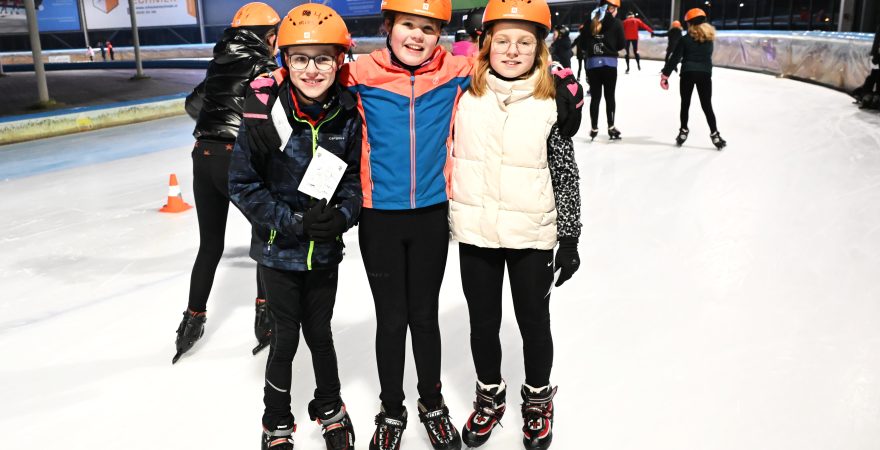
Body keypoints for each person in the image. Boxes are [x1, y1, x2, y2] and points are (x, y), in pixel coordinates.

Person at [336, 1, 582, 448]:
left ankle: (453, 404)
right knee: (399, 321)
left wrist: (564, 78)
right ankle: (395, 411)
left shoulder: (459, 75)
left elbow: (561, 159)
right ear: (388, 27)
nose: (417, 36)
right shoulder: (366, 74)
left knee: (442, 318)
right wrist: (269, 81)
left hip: (453, 219)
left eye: (428, 28)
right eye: (408, 25)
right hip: (401, 219)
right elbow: (310, 76)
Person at [450, 0, 582, 449]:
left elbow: (564, 172)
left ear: (539, 48)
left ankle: (538, 400)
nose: (512, 50)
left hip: (532, 235)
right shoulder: (464, 95)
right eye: (503, 41)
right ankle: (489, 396)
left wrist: (570, 237)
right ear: (486, 44)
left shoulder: (551, 101)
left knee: (533, 322)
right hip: (477, 232)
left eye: (524, 42)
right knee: (483, 324)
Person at [229, 5, 361, 449]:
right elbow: (242, 184)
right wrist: (292, 223)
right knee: (285, 338)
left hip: (324, 252)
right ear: (284, 61)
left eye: (323, 58)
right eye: (300, 58)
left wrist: (342, 216)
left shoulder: (347, 114)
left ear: (339, 61)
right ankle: (276, 420)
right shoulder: (264, 115)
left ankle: (330, 407)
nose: (312, 69)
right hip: (278, 251)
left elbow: (354, 181)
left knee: (321, 333)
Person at [174, 2, 280, 364]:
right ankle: (266, 315)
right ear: (266, 36)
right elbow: (269, 116)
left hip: (203, 154)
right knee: (267, 232)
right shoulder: (264, 66)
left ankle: (192, 320)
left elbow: (193, 104)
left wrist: (218, 119)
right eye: (274, 36)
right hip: (234, 157)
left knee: (210, 244)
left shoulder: (218, 63)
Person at [660, 8, 727, 150]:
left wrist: (665, 75)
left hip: (688, 73)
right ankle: (715, 134)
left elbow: (675, 58)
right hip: (704, 74)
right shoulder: (709, 39)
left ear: (689, 23)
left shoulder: (685, 39)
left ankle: (683, 131)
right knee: (707, 105)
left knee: (685, 103)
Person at [584, 0, 624, 141]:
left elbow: (583, 45)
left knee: (595, 98)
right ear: (611, 9)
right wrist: (610, 46)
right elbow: (621, 44)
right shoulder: (616, 23)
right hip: (610, 64)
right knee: (610, 97)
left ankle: (594, 128)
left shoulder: (589, 21)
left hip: (592, 65)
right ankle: (611, 127)